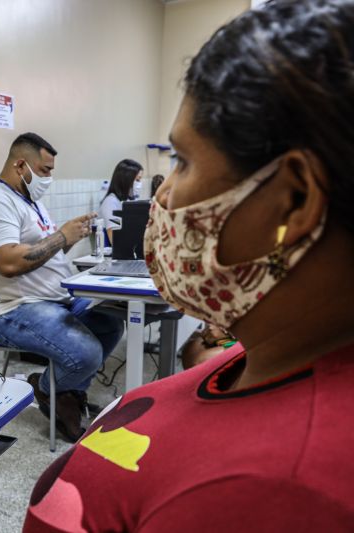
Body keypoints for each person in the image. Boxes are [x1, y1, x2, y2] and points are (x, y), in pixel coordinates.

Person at [25, 1, 354, 530]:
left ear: (292, 201)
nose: (163, 196)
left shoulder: (283, 495)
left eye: (182, 160)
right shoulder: (271, 356)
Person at [0, 132, 124, 442]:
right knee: (87, 353)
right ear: (20, 165)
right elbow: (8, 263)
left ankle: (65, 391)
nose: (49, 178)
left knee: (110, 321)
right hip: (7, 310)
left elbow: (43, 252)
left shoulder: (30, 202)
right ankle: (48, 388)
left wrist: (71, 237)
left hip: (50, 300)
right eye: (45, 170)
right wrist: (62, 236)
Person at [98, 158, 144, 244]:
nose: (139, 184)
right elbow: (115, 240)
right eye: (137, 180)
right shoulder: (110, 203)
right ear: (127, 179)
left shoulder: (127, 201)